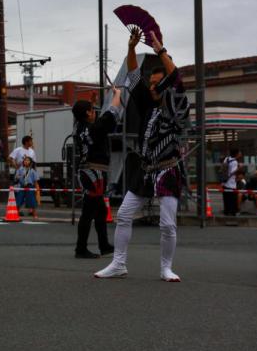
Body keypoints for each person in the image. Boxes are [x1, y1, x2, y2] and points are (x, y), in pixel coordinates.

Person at [96, 27, 189, 283]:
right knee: (124, 215)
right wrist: (131, 47)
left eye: (156, 82)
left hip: (168, 168)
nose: (151, 86)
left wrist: (160, 50)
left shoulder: (176, 103)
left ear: (165, 85)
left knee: (167, 224)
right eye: (150, 83)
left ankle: (166, 268)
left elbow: (177, 78)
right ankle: (118, 263)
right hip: (146, 168)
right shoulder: (147, 102)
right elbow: (134, 74)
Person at [71, 89, 121, 258]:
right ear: (87, 113)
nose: (95, 113)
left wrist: (91, 101)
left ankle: (104, 245)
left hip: (87, 171)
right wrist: (117, 95)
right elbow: (111, 114)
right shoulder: (94, 129)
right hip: (94, 173)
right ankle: (81, 248)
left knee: (99, 210)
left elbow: (96, 119)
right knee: (89, 211)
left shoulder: (78, 128)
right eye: (92, 110)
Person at [221, 149, 238, 216]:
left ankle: (226, 211)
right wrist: (238, 169)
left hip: (224, 182)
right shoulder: (235, 162)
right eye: (239, 153)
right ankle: (232, 212)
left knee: (226, 198)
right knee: (232, 199)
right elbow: (232, 172)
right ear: (236, 154)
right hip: (231, 183)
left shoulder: (226, 159)